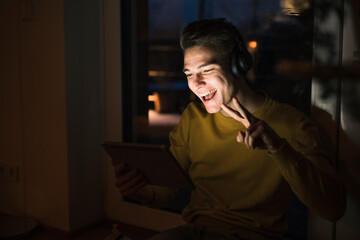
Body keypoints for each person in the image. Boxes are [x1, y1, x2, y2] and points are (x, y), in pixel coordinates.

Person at [112, 18, 346, 240]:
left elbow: (333, 208)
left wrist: (278, 147)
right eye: (189, 74)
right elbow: (166, 191)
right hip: (191, 233)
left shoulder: (292, 124)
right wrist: (140, 190)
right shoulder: (193, 118)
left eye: (206, 70)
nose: (196, 84)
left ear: (238, 65)